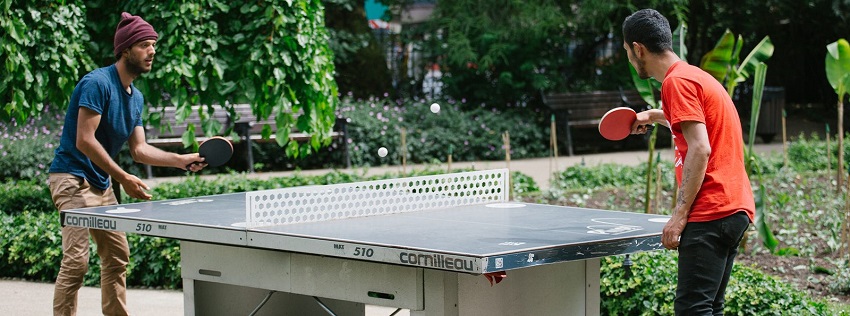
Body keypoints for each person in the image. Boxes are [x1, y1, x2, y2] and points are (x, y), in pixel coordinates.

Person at [48, 12, 206, 316]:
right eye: (145, 45)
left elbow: (140, 149)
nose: (152, 51)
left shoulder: (136, 98)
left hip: (100, 183)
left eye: (153, 45)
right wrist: (123, 178)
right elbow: (85, 139)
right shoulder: (97, 83)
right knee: (77, 262)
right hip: (71, 179)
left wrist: (182, 160)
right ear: (125, 50)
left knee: (117, 256)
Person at [622, 9, 755, 315]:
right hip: (734, 208)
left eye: (628, 51)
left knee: (692, 310)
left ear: (639, 49)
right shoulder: (693, 75)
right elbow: (693, 125)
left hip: (711, 211)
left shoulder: (676, 83)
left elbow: (700, 148)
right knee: (709, 307)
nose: (629, 57)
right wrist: (653, 116)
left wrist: (679, 215)